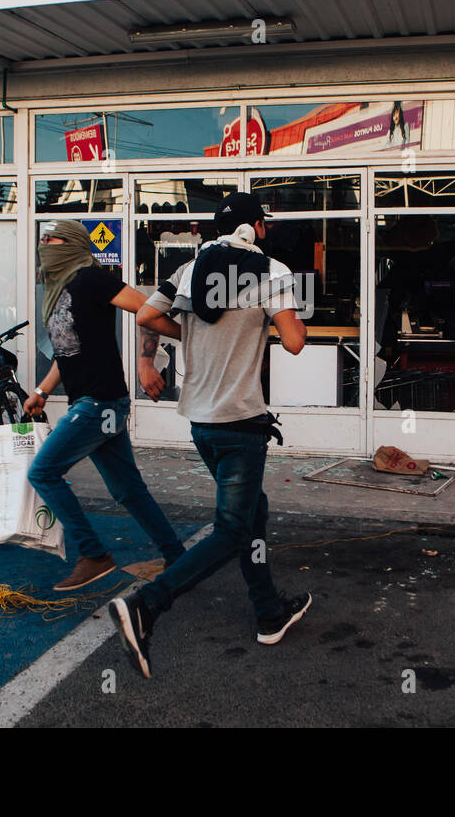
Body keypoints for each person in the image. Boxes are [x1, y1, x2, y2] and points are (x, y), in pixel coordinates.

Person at [109, 192, 311, 679]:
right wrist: (270, 322)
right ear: (256, 227)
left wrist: (195, 335)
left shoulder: (187, 269)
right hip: (241, 421)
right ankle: (147, 605)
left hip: (201, 422)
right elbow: (295, 342)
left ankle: (268, 612)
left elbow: (145, 316)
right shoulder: (272, 270)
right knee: (232, 530)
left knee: (251, 513)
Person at [21, 219, 186, 592]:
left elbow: (148, 309)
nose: (45, 244)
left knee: (43, 472)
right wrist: (42, 392)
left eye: (53, 238)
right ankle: (177, 555)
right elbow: (68, 354)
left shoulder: (91, 278)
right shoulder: (60, 288)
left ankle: (94, 556)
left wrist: (146, 362)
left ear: (73, 244)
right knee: (128, 490)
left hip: (101, 403)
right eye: (42, 238)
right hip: (93, 401)